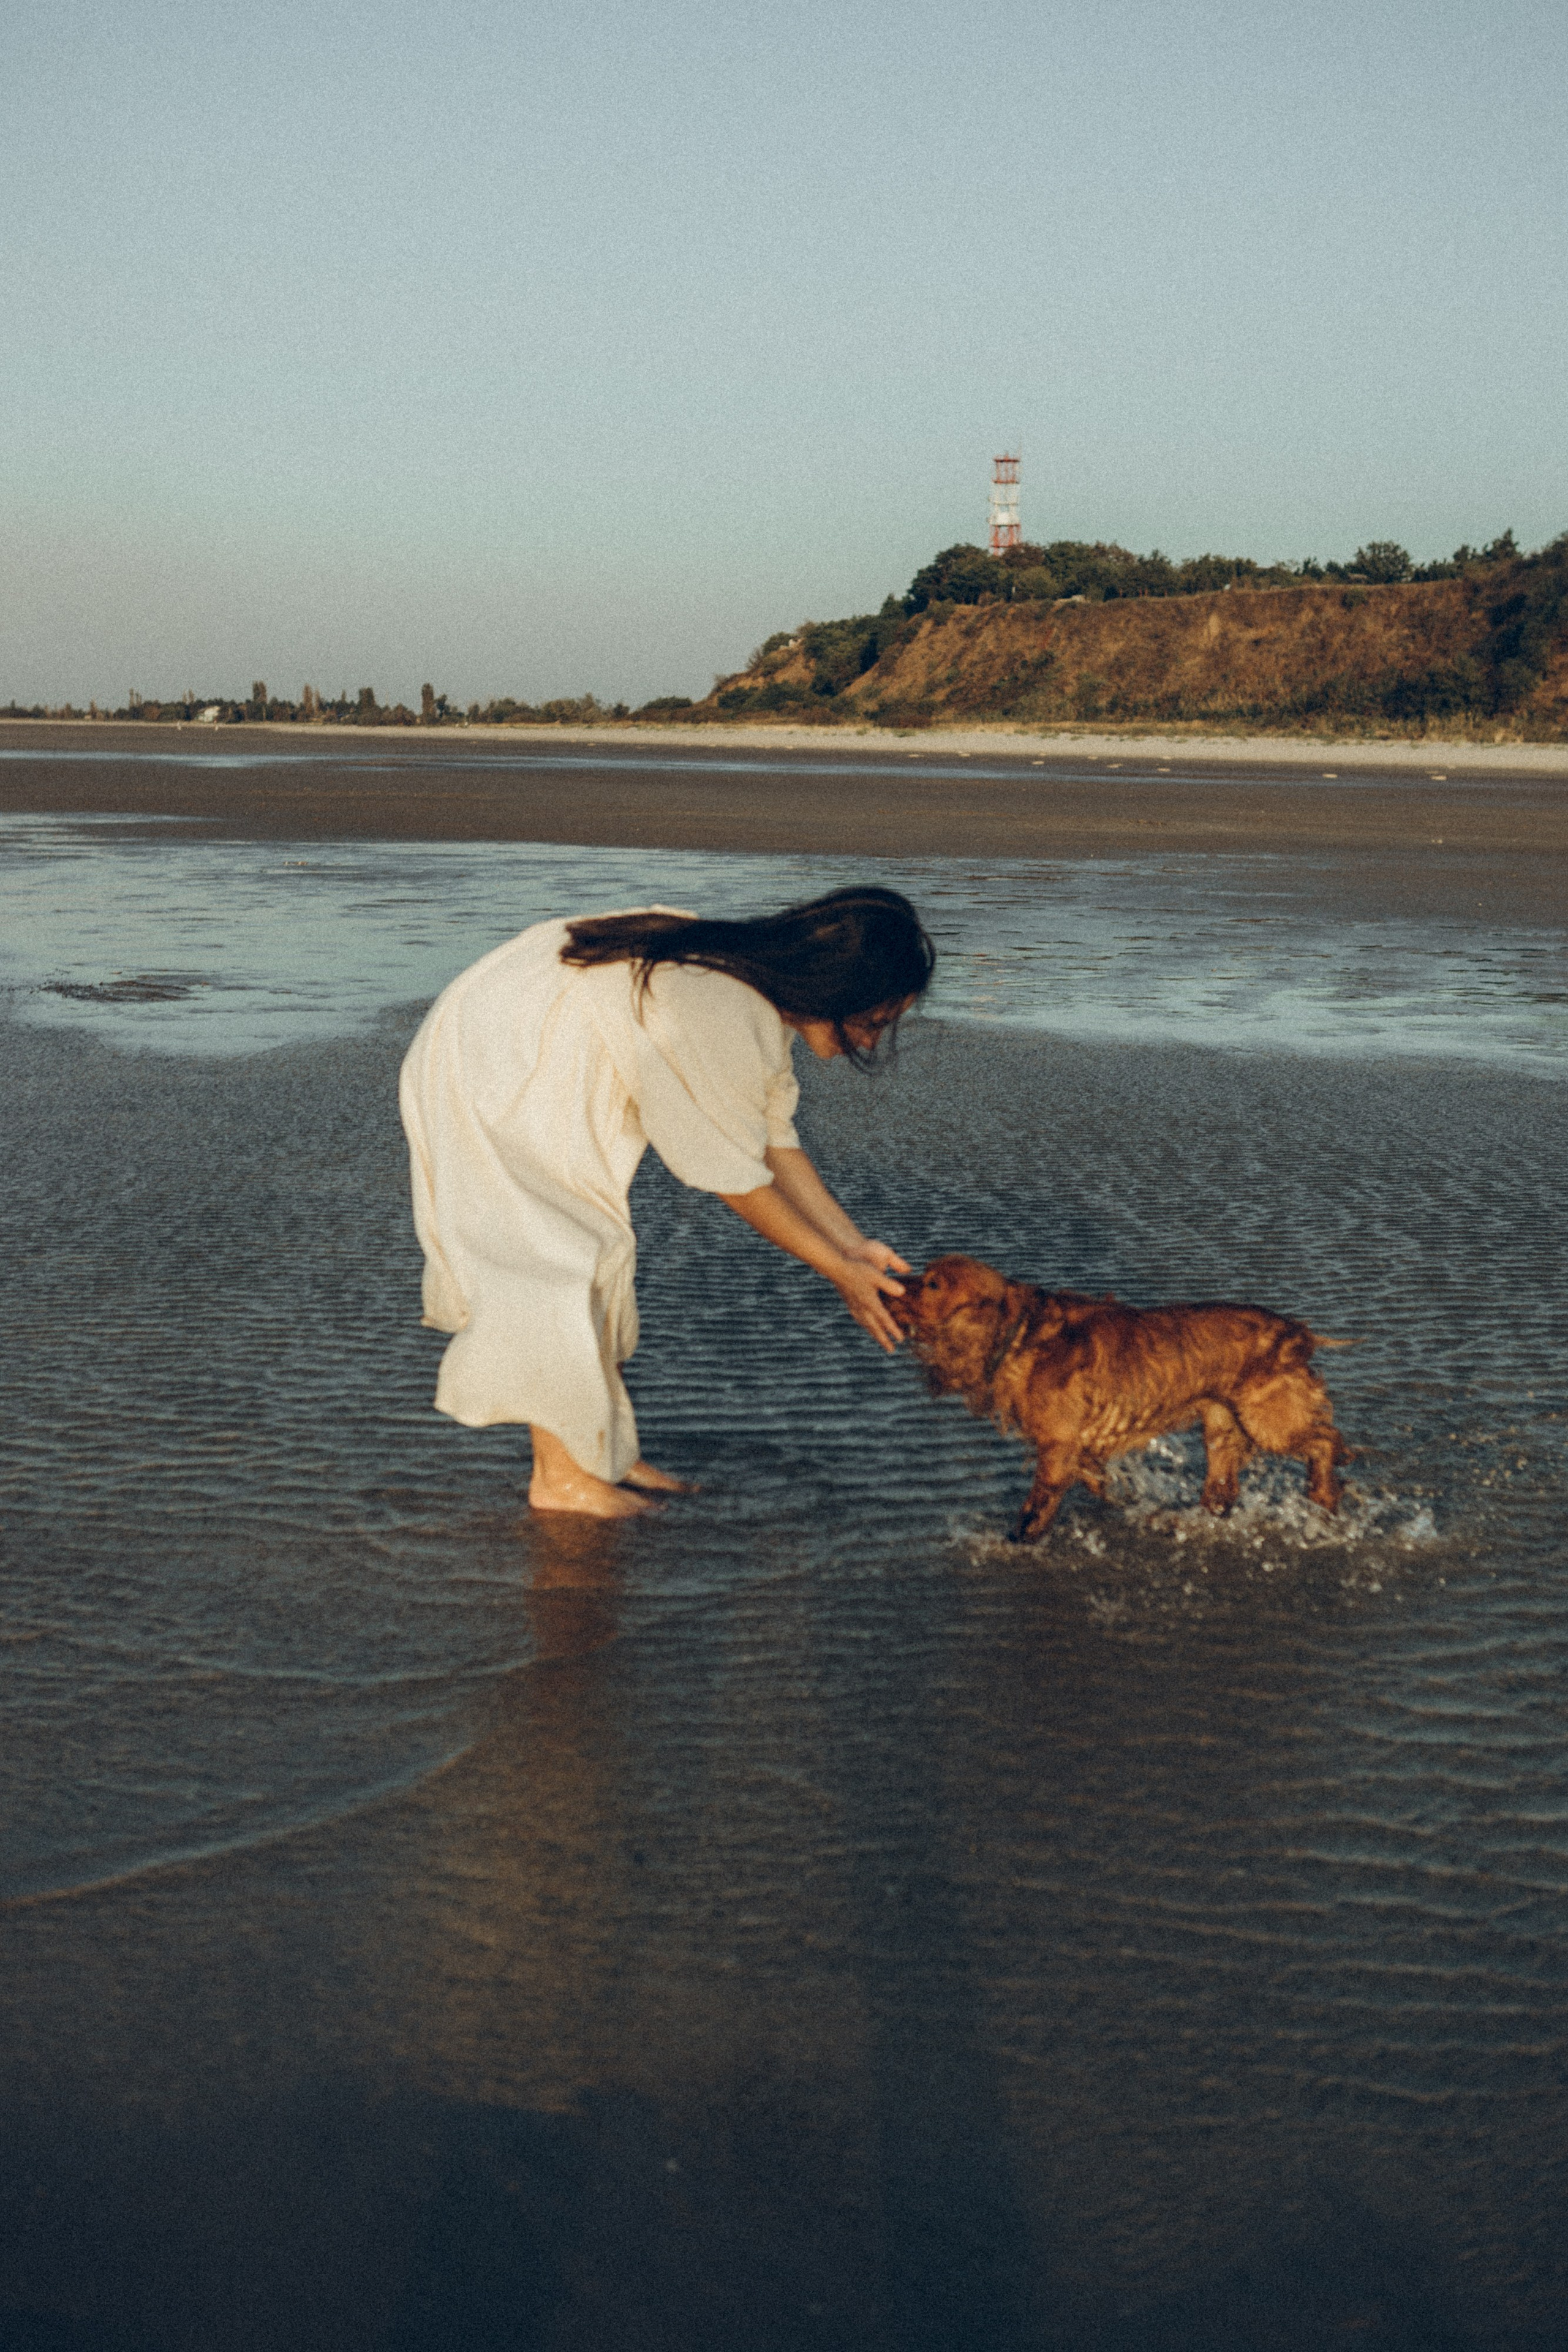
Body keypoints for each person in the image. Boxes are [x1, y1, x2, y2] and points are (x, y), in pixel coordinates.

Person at [399, 886, 935, 1519]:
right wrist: (838, 1272)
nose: (871, 1044)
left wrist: (850, 1245)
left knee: (596, 1256)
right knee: (553, 1257)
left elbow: (770, 1140)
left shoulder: (753, 995)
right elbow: (731, 1178)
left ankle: (603, 1453)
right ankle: (561, 1478)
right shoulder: (717, 1004)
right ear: (834, 986)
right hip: (499, 1056)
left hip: (518, 1035)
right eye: (872, 1021)